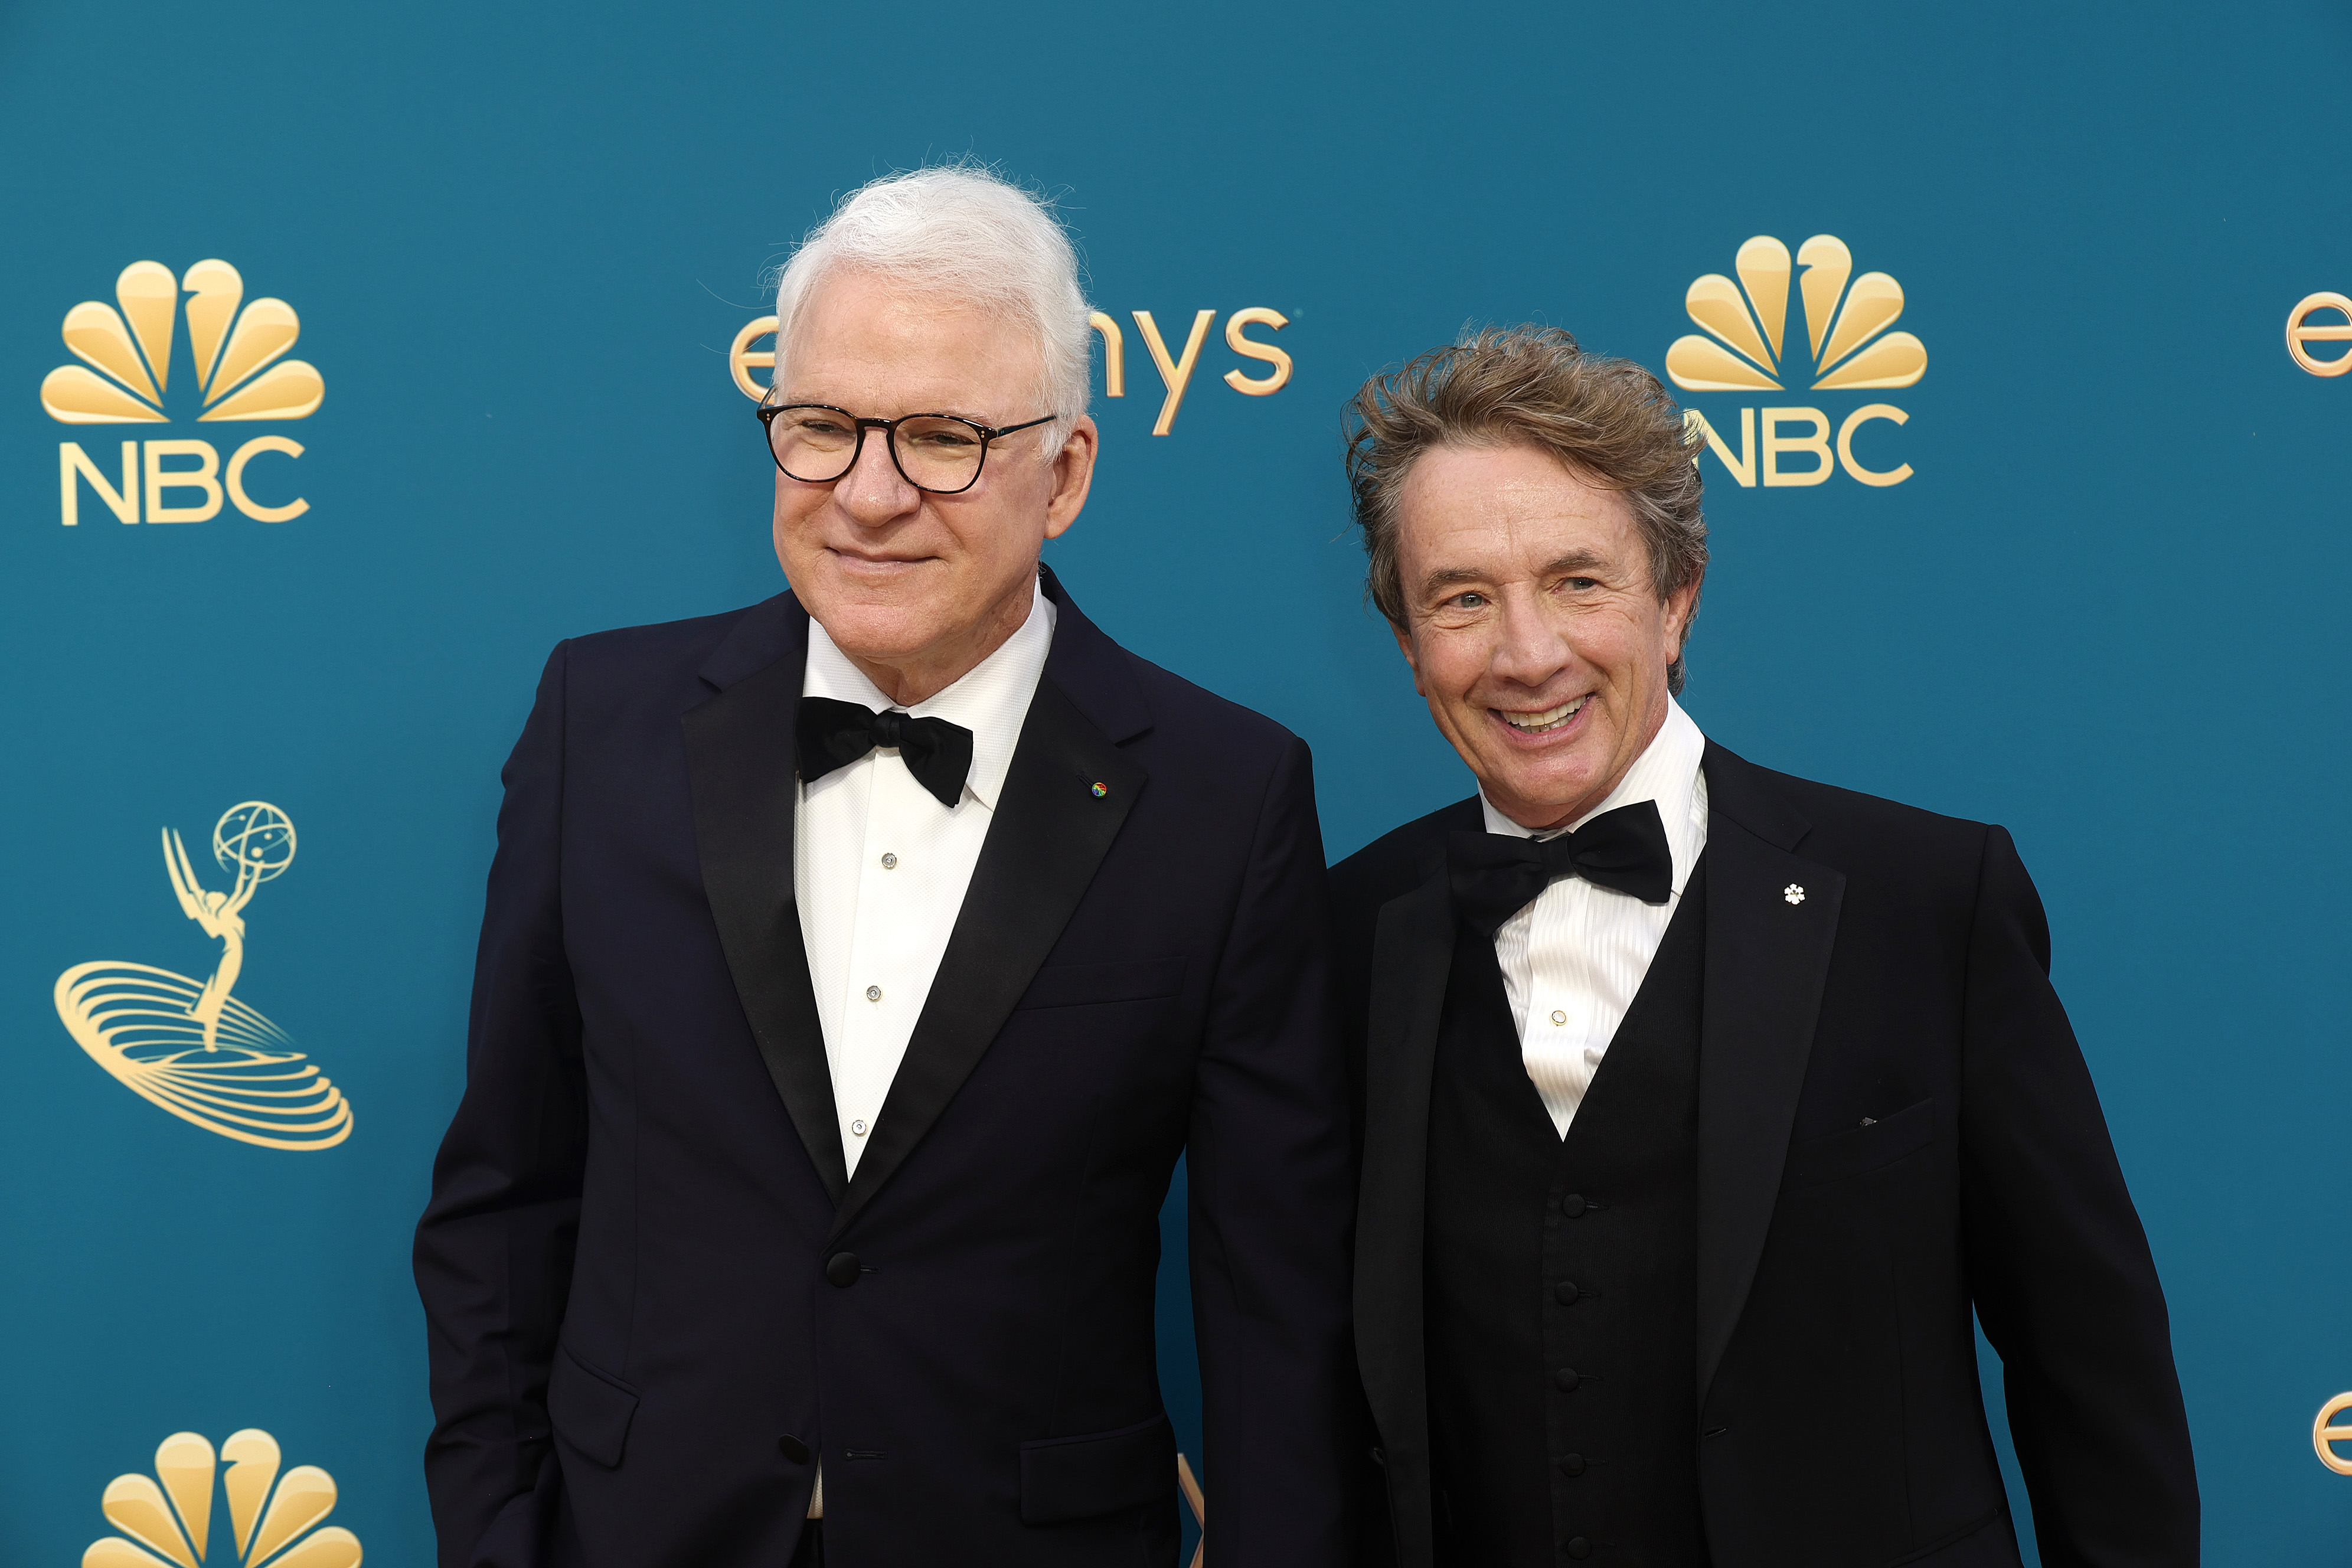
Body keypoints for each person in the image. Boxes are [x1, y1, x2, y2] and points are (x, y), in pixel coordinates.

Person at [413, 165, 1355, 1568]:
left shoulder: (1225, 795)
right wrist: (500, 1538)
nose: (869, 493)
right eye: (823, 428)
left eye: (941, 438)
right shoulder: (595, 726)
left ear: (1069, 470)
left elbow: (1278, 1306)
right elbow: (505, 1197)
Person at [1329, 326, 2197, 1567]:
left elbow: (2092, 1359)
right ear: (1410, 645)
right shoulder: (1345, 931)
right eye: (1463, 598)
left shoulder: (1927, 901)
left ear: (1677, 598)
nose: (1528, 653)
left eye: (1580, 582)